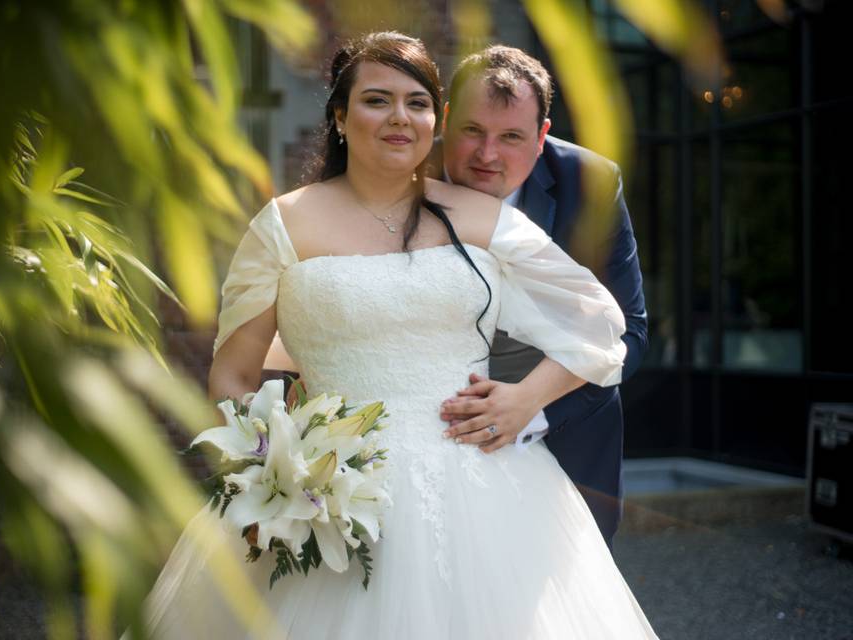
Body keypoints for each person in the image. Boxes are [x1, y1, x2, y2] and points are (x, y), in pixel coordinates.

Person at [135, 32, 657, 638]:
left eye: (416, 102)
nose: (399, 116)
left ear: (434, 122)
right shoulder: (283, 222)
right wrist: (274, 465)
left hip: (483, 488)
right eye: (376, 100)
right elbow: (234, 374)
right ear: (338, 115)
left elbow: (599, 321)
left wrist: (526, 396)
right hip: (324, 490)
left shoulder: (482, 218)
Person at [435, 46, 649, 546]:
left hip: (567, 443)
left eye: (510, 137)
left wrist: (528, 404)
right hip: (425, 445)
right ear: (446, 119)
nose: (487, 155)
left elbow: (631, 334)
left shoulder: (590, 184)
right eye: (471, 131)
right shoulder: (399, 173)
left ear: (541, 137)